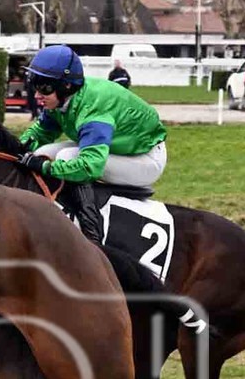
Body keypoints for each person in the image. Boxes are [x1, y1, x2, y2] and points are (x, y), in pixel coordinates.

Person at [17, 45, 169, 241]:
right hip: (115, 148)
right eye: (35, 86)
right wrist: (18, 148)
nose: (37, 95)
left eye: (44, 88)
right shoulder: (62, 99)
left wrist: (45, 167)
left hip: (145, 158)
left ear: (66, 86)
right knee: (42, 152)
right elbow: (41, 134)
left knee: (67, 157)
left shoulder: (93, 112)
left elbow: (90, 167)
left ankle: (91, 233)